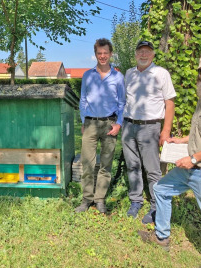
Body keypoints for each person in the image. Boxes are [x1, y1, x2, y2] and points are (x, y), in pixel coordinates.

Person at [138, 53, 201, 268]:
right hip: (191, 166)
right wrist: (181, 140)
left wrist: (192, 158)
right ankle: (162, 236)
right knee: (161, 189)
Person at [121, 41, 176, 224]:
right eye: (140, 51)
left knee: (152, 170)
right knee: (132, 166)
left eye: (147, 52)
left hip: (150, 127)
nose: (143, 55)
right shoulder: (129, 73)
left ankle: (155, 206)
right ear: (135, 54)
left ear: (153, 55)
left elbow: (170, 102)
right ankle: (136, 201)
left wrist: (165, 131)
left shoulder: (161, 73)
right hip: (129, 125)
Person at [75, 38, 126, 214]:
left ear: (111, 54)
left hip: (109, 124)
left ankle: (100, 199)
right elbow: (82, 99)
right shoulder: (88, 75)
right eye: (99, 53)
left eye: (105, 53)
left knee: (105, 164)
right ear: (95, 54)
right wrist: (83, 121)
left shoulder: (118, 77)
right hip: (90, 123)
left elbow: (122, 103)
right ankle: (86, 199)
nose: (102, 56)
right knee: (87, 163)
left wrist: (118, 124)